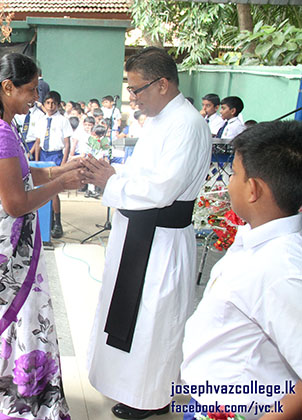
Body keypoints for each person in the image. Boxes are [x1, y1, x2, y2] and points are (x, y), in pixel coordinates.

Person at [83, 47, 211, 420]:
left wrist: (112, 182)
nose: (134, 98)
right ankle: (132, 387)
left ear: (164, 84)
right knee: (134, 317)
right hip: (140, 232)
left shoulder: (187, 124)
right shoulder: (160, 120)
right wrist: (114, 174)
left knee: (155, 321)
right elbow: (144, 176)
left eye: (138, 90)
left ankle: (150, 397)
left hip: (162, 240)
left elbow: (161, 189)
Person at [0, 53, 90, 420]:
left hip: (0, 252)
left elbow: (20, 171)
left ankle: (16, 395)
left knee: (17, 326)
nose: (36, 97)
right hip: (3, 259)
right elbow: (15, 203)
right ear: (7, 87)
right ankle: (14, 403)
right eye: (31, 90)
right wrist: (61, 184)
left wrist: (60, 168)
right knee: (14, 325)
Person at [181, 121, 302, 420]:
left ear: (253, 189)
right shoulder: (256, 239)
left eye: (234, 174)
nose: (228, 183)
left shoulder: (282, 269)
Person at [32, 90, 73, 238]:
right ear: (43, 104)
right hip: (43, 154)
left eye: (53, 103)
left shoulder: (63, 120)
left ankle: (57, 222)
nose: (50, 106)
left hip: (56, 155)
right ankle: (45, 221)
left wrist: (63, 163)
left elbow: (67, 144)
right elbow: (37, 142)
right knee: (41, 189)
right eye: (47, 103)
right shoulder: (41, 120)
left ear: (58, 105)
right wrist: (36, 161)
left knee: (53, 190)